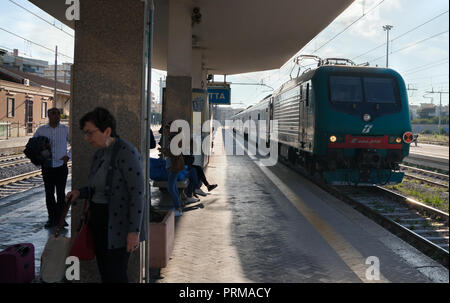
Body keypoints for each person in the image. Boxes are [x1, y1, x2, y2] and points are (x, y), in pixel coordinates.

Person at [66, 107, 145, 283]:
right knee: (105, 272)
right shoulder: (99, 153)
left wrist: (134, 231)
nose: (86, 138)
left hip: (118, 227)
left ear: (107, 131)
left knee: (116, 275)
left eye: (90, 133)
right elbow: (98, 187)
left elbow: (137, 193)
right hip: (99, 223)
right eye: (85, 133)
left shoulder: (127, 152)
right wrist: (80, 192)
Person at [33, 107, 71, 228]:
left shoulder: (65, 130)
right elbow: (32, 145)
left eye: (58, 114)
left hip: (61, 166)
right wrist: (41, 150)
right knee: (49, 193)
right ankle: (51, 218)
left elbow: (74, 144)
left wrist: (68, 156)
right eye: (54, 114)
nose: (57, 116)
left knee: (60, 194)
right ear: (48, 116)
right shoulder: (41, 130)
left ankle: (61, 219)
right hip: (48, 166)